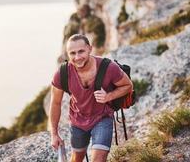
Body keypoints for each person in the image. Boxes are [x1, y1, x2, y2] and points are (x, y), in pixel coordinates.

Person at [49, 34, 133, 162]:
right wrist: (54, 134)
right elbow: (55, 103)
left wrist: (108, 96)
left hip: (102, 118)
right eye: (72, 53)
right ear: (67, 54)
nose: (77, 57)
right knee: (76, 159)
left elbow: (128, 85)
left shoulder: (108, 68)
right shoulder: (62, 73)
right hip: (77, 121)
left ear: (90, 49)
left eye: (81, 51)